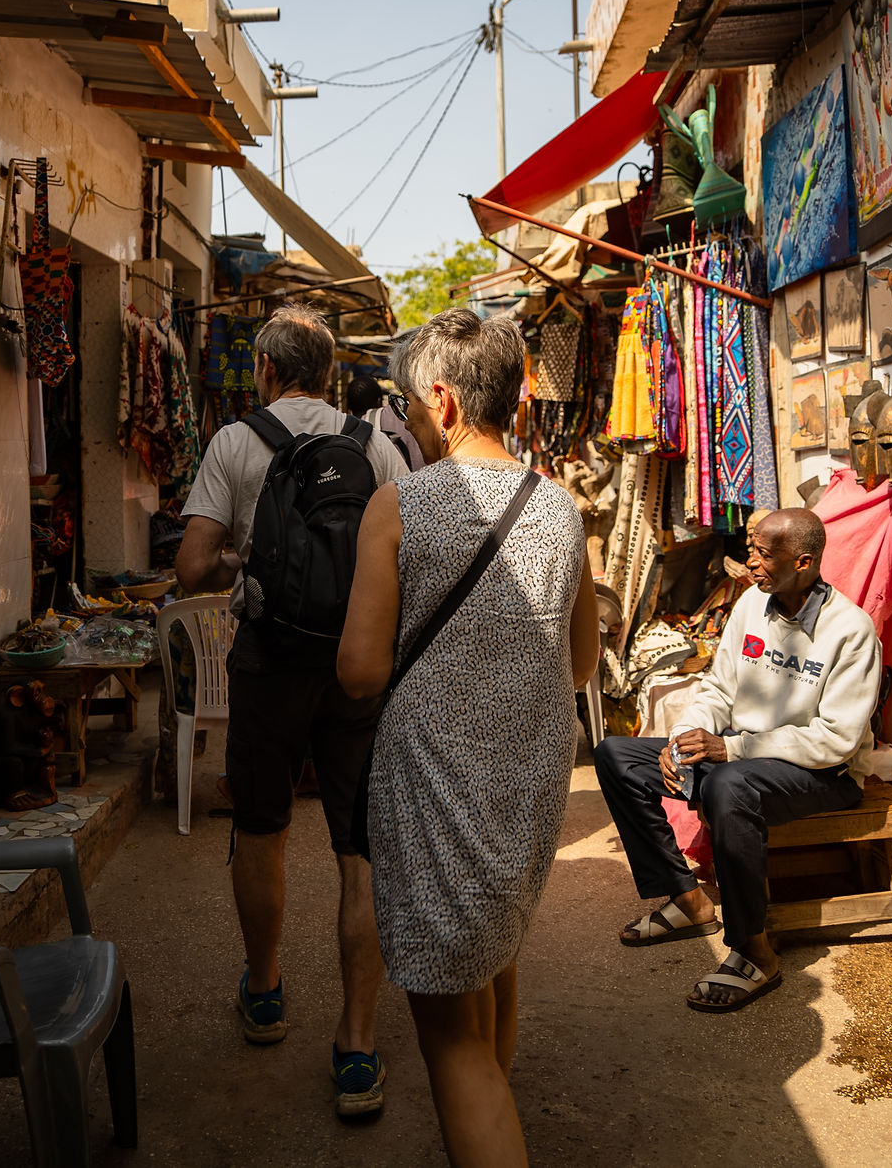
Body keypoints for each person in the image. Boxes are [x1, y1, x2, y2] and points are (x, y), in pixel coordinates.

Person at [337, 308, 600, 1168]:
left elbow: (360, 671)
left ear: (445, 400)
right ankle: (489, 1120)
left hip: (434, 781)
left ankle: (485, 1127)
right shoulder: (562, 510)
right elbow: (583, 661)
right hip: (527, 775)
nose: (407, 420)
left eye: (411, 405)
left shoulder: (400, 503)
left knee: (450, 1039)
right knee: (495, 952)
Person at [175, 303, 407, 1117]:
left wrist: (249, 554)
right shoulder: (374, 443)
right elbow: (407, 553)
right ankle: (356, 1043)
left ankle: (266, 992)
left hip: (269, 659)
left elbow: (192, 567)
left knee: (263, 825)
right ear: (331, 372)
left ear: (266, 371)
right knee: (359, 844)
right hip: (358, 665)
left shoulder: (235, 442)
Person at [594, 507, 881, 1014]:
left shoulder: (851, 630)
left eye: (764, 555)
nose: (752, 563)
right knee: (616, 756)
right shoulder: (752, 604)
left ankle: (754, 949)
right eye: (752, 550)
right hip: (742, 759)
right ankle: (687, 900)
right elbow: (718, 689)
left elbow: (836, 740)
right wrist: (683, 736)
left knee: (728, 785)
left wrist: (733, 748)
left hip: (823, 774)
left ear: (805, 561)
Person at [345, 371, 424, 470]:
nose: (407, 425)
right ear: (379, 401)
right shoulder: (399, 416)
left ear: (349, 406)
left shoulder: (345, 435)